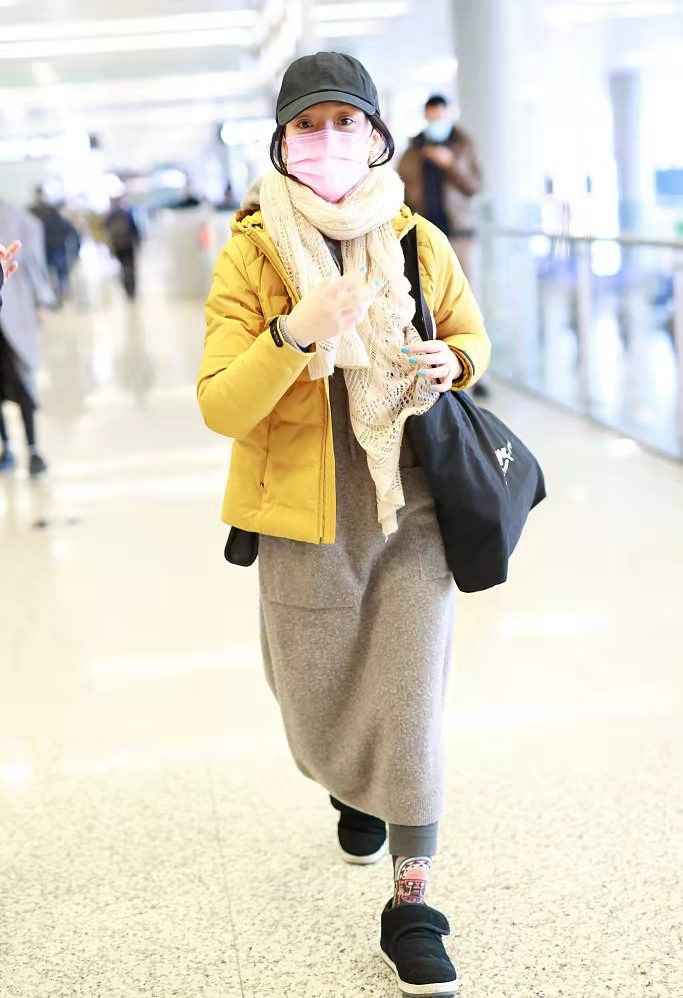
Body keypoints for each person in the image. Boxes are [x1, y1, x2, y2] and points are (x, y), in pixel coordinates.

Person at [197, 52, 490, 997]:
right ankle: (349, 783)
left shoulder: (415, 239)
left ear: (375, 137)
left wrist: (453, 362)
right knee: (314, 695)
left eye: (345, 122)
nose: (326, 140)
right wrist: (295, 333)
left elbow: (471, 335)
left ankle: (413, 900)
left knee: (410, 706)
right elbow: (220, 404)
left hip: (413, 503)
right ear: (281, 143)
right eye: (307, 126)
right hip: (304, 515)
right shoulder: (251, 254)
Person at [399, 96, 488, 398]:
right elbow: (400, 188)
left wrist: (451, 165)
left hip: (459, 233)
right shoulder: (413, 150)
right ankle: (432, 369)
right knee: (424, 303)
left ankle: (470, 367)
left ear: (449, 114)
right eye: (431, 116)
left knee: (467, 304)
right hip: (421, 237)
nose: (436, 121)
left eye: (440, 116)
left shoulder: (463, 144)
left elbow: (475, 185)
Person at [0, 201, 55, 475]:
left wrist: (42, 300)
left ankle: (33, 448)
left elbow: (34, 264)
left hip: (16, 313)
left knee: (23, 384)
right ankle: (6, 448)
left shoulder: (19, 219)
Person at [29, 187, 80, 304]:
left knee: (58, 274)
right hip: (45, 248)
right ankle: (54, 297)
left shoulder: (47, 210)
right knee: (50, 274)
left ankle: (59, 296)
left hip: (55, 248)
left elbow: (69, 229)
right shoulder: (33, 211)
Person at [104, 195, 141, 300]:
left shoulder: (109, 216)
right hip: (128, 245)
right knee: (130, 267)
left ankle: (127, 288)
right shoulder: (126, 213)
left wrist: (110, 247)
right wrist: (138, 242)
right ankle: (132, 290)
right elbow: (134, 228)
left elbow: (107, 233)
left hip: (117, 246)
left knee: (123, 267)